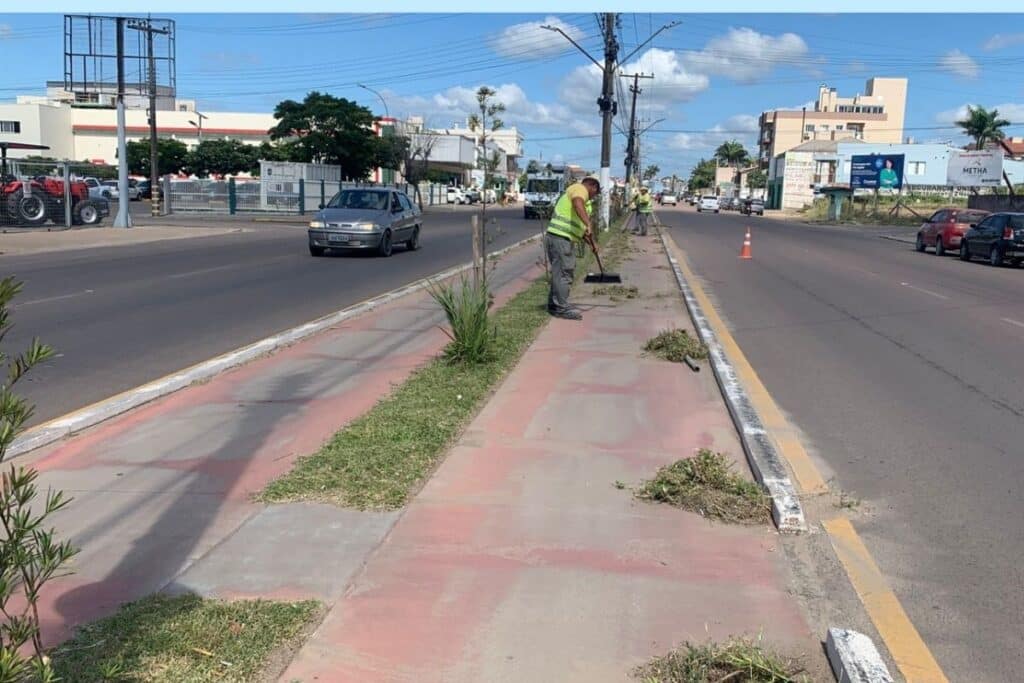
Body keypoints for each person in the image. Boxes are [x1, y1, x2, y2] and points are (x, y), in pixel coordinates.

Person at [545, 175, 600, 321]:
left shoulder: (583, 202)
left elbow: (580, 230)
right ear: (592, 186)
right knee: (564, 273)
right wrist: (588, 223)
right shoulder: (579, 189)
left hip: (560, 238)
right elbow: (578, 203)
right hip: (560, 238)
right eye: (595, 193)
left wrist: (592, 244)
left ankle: (554, 304)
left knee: (559, 273)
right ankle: (561, 308)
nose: (594, 197)